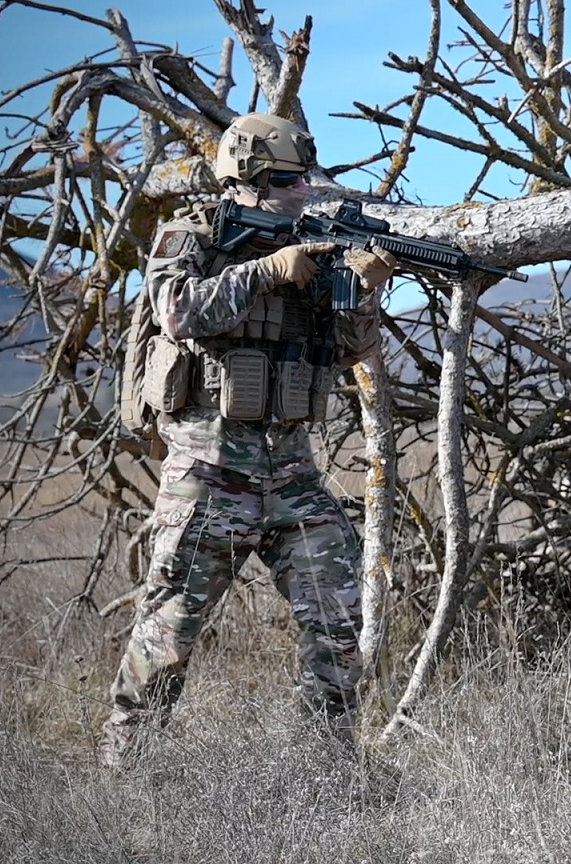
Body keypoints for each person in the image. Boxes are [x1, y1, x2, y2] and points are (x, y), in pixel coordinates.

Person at [97, 112, 396, 769]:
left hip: (292, 475)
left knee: (341, 618)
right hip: (208, 471)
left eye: (305, 179)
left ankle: (327, 769)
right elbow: (177, 314)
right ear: (251, 180)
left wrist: (361, 292)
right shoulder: (192, 235)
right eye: (290, 180)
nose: (303, 191)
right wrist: (266, 272)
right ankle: (124, 773)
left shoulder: (314, 245)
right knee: (170, 634)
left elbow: (346, 352)